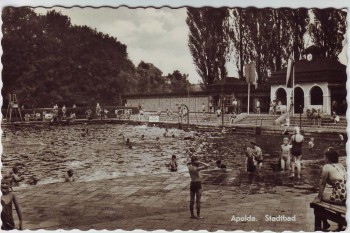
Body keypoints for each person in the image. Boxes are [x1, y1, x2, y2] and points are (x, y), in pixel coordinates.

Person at [313, 147, 346, 231]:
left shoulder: (326, 167)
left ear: (327, 158)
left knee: (319, 200)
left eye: (324, 156)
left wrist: (319, 197)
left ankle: (325, 222)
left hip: (341, 196)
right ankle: (339, 224)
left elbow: (322, 184)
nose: (324, 158)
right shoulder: (341, 165)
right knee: (334, 194)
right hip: (347, 195)